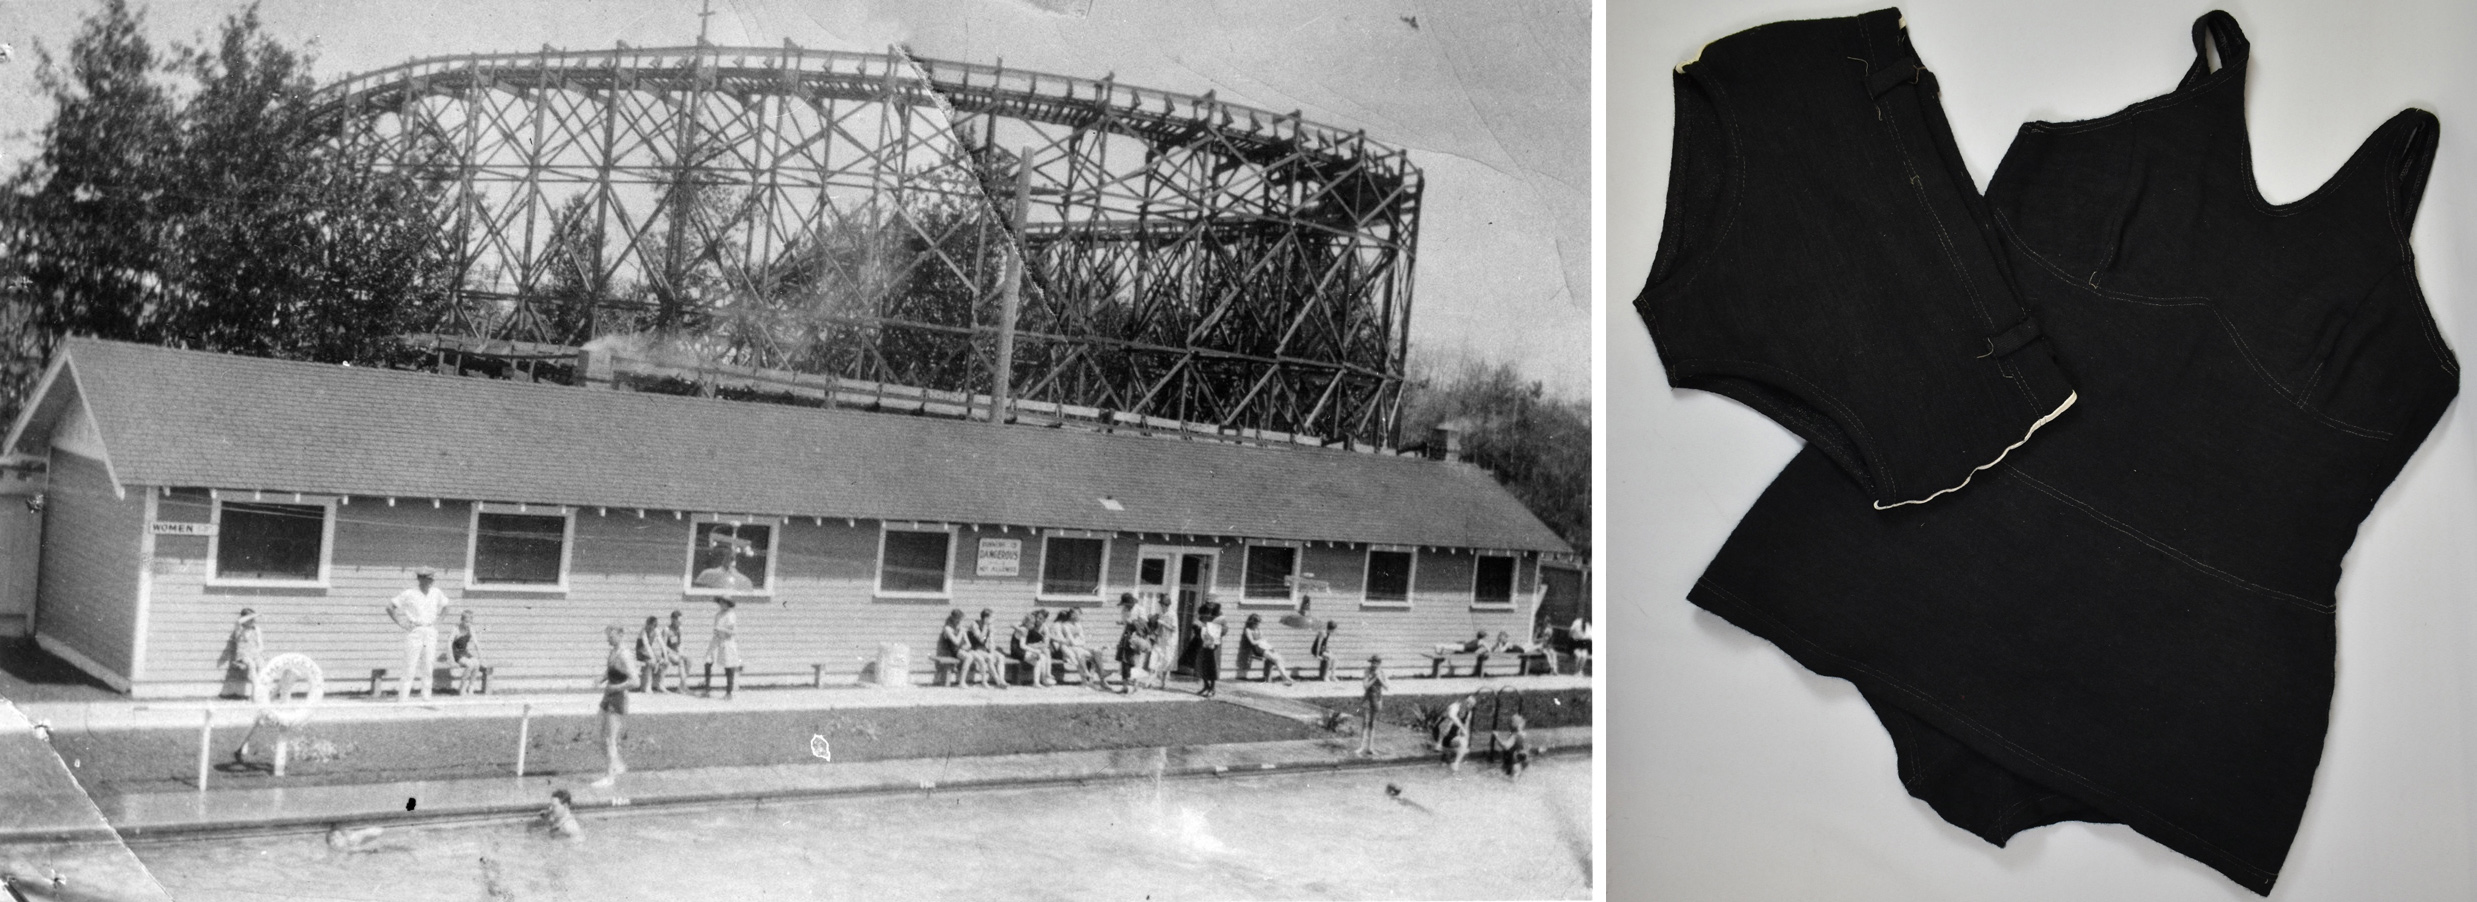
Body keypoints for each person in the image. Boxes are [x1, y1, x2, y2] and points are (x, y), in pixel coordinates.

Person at [384, 567, 449, 702]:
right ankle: (403, 698)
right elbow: (390, 607)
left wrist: (438, 623)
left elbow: (446, 607)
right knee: (410, 665)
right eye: (427, 579)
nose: (431, 582)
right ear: (420, 579)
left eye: (432, 579)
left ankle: (426, 697)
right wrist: (401, 623)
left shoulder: (436, 593)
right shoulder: (409, 593)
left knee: (428, 665)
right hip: (415, 631)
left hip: (430, 630)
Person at [593, 625, 634, 787]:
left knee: (610, 740)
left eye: (610, 636)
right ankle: (617, 765)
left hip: (618, 699)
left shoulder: (625, 655)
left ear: (620, 635)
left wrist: (615, 688)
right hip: (607, 697)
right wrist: (601, 679)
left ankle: (609, 777)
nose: (607, 639)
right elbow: (611, 671)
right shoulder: (613, 652)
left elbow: (635, 681)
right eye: (607, 635)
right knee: (596, 736)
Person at [1050, 607, 1108, 688]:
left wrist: (1080, 643)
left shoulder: (1078, 625)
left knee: (1097, 651)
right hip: (1072, 649)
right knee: (1081, 653)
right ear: (1072, 615)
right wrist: (1079, 643)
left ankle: (1102, 675)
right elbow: (1072, 642)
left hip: (1080, 647)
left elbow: (1083, 639)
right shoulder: (1065, 625)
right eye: (1078, 614)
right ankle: (1090, 681)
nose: (1080, 616)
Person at [216, 608, 265, 700]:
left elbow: (261, 645)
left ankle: (258, 693)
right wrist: (252, 615)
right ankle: (255, 695)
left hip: (254, 653)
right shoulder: (239, 629)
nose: (252, 621)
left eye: (253, 619)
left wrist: (257, 653)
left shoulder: (256, 629)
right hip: (243, 655)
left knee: (262, 665)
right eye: (250, 619)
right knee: (251, 664)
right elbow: (239, 621)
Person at [1238, 613, 1296, 685]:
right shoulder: (1248, 630)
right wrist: (1260, 640)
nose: (1257, 625)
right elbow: (1252, 642)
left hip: (1263, 646)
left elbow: (1262, 638)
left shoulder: (1258, 629)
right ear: (1252, 623)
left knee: (1279, 658)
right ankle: (1285, 678)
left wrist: (1263, 641)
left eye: (1258, 623)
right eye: (1256, 623)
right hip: (1257, 649)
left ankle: (1284, 677)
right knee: (1276, 659)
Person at [703, 597, 742, 699]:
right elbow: (715, 629)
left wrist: (721, 629)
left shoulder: (731, 615)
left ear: (728, 604)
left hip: (727, 642)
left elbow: (731, 632)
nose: (721, 604)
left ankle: (728, 693)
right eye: (720, 602)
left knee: (729, 666)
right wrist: (716, 631)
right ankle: (707, 689)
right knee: (708, 662)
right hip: (716, 640)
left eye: (723, 602)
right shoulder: (718, 615)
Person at [1357, 654, 1391, 757]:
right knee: (1365, 721)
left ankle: (1370, 747)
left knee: (1372, 722)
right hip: (1368, 697)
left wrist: (1379, 678)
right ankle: (1362, 746)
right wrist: (1374, 677)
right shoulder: (1367, 671)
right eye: (1372, 662)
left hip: (1377, 698)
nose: (1373, 664)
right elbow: (1365, 686)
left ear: (1379, 664)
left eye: (1375, 663)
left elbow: (1387, 687)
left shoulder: (1382, 672)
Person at [1012, 610, 1054, 687]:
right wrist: (1035, 651)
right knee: (1039, 659)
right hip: (1017, 651)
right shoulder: (1024, 630)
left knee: (1042, 658)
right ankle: (1038, 681)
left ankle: (1041, 680)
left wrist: (1036, 650)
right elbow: (1022, 645)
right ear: (1027, 623)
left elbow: (1046, 643)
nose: (1033, 625)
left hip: (1022, 650)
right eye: (1032, 623)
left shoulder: (1028, 629)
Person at [1435, 693, 1475, 773]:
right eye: (1467, 703)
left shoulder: (1468, 713)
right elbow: (1452, 716)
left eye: (1471, 705)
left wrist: (1466, 744)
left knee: (1464, 742)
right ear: (1463, 701)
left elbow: (1466, 728)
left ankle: (1455, 764)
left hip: (1452, 737)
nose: (1468, 706)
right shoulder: (1454, 707)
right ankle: (1440, 744)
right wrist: (1461, 727)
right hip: (1440, 733)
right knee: (1449, 721)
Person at [1114, 615, 1153, 694]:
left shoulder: (1137, 622)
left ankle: (1132, 686)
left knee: (1130, 666)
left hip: (1131, 646)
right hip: (1129, 645)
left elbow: (1141, 633)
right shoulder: (1138, 623)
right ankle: (1129, 687)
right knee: (1128, 666)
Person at [451, 611, 486, 695]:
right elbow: (449, 643)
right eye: (466, 622)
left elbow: (476, 643)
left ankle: (471, 686)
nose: (468, 624)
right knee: (470, 664)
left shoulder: (470, 628)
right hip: (456, 653)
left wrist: (481, 657)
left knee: (477, 663)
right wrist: (451, 659)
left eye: (470, 622)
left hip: (464, 652)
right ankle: (462, 687)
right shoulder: (456, 629)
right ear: (462, 620)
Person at [1195, 607, 1225, 698]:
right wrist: (1199, 627)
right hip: (1204, 643)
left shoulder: (1219, 615)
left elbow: (1224, 629)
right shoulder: (1203, 613)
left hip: (1214, 646)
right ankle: (1206, 686)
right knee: (1201, 665)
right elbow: (1197, 627)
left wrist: (1215, 632)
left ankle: (1212, 688)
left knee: (1212, 667)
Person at [936, 609, 970, 687]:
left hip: (960, 649)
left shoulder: (960, 628)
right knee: (969, 657)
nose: (960, 621)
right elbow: (956, 642)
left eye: (961, 620)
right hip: (951, 651)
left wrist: (965, 647)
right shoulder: (948, 629)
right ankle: (962, 682)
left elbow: (968, 644)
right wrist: (961, 632)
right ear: (954, 618)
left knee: (975, 655)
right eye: (959, 619)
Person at [633, 616, 666, 693]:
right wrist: (653, 658)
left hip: (649, 652)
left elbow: (662, 644)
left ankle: (659, 684)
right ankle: (647, 686)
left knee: (663, 661)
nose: (650, 627)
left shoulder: (656, 631)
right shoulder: (643, 631)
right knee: (651, 662)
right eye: (649, 625)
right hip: (641, 652)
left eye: (653, 626)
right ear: (647, 624)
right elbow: (646, 645)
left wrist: (666, 657)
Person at [660, 610, 688, 693]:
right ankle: (661, 685)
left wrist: (681, 652)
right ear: (673, 620)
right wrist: (674, 653)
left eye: (681, 621)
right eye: (679, 621)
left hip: (676, 653)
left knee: (688, 661)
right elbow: (663, 646)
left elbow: (681, 643)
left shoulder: (680, 629)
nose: (680, 622)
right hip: (667, 653)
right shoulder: (667, 630)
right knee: (680, 661)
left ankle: (681, 686)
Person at [1500, 713, 1535, 778]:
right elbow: (1527, 746)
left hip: (1515, 759)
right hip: (1524, 757)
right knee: (1518, 776)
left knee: (1512, 779)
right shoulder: (1524, 734)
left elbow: (1506, 746)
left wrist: (1498, 739)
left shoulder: (1514, 736)